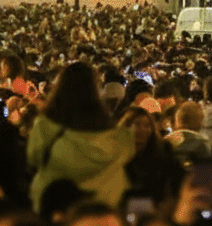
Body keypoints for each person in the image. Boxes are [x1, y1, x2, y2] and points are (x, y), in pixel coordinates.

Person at [27, 61, 135, 213]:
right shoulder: (111, 134)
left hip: (57, 205)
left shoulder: (46, 126)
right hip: (105, 205)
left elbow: (34, 157)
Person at [117, 106, 176, 204]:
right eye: (137, 124)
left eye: (147, 125)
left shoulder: (162, 152)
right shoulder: (116, 154)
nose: (142, 129)